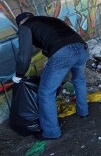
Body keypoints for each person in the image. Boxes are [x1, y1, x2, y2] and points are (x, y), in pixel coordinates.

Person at [12, 12, 89, 140]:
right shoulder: (49, 20)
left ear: (20, 23)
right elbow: (58, 38)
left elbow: (24, 55)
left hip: (64, 53)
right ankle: (83, 112)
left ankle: (51, 132)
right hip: (82, 48)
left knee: (46, 93)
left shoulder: (25, 26)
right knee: (79, 80)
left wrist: (19, 74)